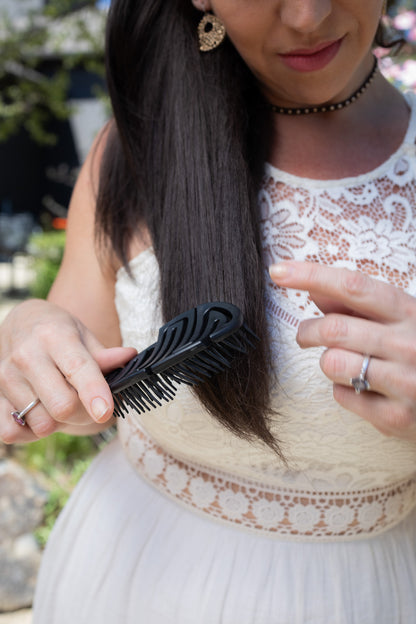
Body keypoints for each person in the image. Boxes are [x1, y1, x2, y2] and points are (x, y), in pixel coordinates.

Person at [1, 0, 416, 621]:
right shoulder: (136, 146)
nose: (306, 16)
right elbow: (82, 388)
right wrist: (30, 329)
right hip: (128, 573)